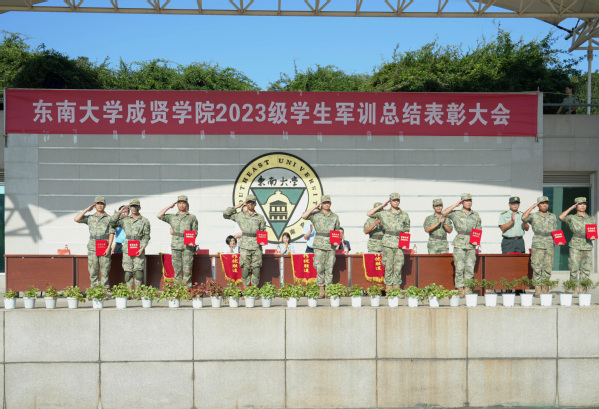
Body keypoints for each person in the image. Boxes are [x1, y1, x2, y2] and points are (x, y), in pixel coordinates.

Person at [367, 193, 410, 293]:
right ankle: (389, 289)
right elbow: (369, 214)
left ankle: (397, 289)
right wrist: (382, 206)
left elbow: (407, 229)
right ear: (390, 201)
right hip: (388, 242)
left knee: (398, 266)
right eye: (394, 200)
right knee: (388, 266)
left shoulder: (404, 215)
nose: (396, 202)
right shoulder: (384, 213)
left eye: (397, 200)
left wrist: (405, 243)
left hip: (399, 243)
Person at [443, 194, 482, 296]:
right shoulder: (456, 213)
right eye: (466, 201)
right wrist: (455, 205)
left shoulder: (475, 214)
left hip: (471, 243)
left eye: (470, 200)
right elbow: (443, 213)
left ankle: (468, 288)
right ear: (462, 202)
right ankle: (460, 288)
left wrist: (476, 240)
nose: (469, 202)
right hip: (459, 242)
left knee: (470, 267)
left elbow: (478, 228)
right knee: (459, 267)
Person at [223, 194, 266, 287]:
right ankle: (246, 289)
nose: (250, 204)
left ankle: (254, 288)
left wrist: (263, 240)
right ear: (246, 203)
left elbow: (263, 231)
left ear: (255, 204)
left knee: (256, 268)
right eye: (248, 202)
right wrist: (236, 207)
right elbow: (225, 215)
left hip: (256, 245)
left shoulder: (260, 217)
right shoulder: (240, 216)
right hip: (244, 246)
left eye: (252, 203)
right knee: (245, 268)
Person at [302, 195, 341, 298]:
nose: (326, 204)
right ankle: (321, 288)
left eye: (328, 202)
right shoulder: (315, 215)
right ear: (321, 204)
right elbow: (304, 216)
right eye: (324, 203)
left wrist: (337, 242)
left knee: (329, 267)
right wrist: (314, 207)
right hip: (319, 244)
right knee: (319, 267)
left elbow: (337, 230)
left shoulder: (334, 216)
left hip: (331, 245)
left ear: (330, 203)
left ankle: (328, 288)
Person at [522, 196, 561, 297]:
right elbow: (523, 217)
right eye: (542, 203)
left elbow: (556, 230)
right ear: (538, 205)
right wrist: (532, 206)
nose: (545, 205)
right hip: (538, 242)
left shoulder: (552, 216)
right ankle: (537, 290)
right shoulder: (534, 216)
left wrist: (559, 240)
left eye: (546, 203)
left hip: (549, 242)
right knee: (537, 266)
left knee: (548, 267)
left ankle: (545, 290)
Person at [157, 195, 199, 287]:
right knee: (177, 269)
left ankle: (187, 289)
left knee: (187, 269)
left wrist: (192, 240)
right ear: (177, 204)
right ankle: (178, 288)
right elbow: (159, 215)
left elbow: (195, 231)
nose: (181, 205)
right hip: (176, 245)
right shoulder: (172, 217)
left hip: (188, 246)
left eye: (183, 203)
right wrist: (169, 206)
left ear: (187, 204)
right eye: (179, 203)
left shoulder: (192, 217)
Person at [559, 197, 596, 296]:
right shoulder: (572, 218)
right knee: (574, 267)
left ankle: (583, 289)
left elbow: (593, 231)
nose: (583, 206)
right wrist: (571, 208)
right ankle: (575, 289)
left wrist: (593, 236)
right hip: (575, 244)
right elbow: (561, 217)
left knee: (586, 269)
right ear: (576, 206)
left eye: (584, 204)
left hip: (587, 244)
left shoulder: (591, 219)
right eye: (580, 204)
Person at [74, 196, 115, 287]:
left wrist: (109, 248)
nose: (100, 205)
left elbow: (111, 233)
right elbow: (76, 219)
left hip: (104, 245)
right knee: (93, 269)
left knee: (105, 269)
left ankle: (104, 289)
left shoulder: (109, 218)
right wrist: (86, 210)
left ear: (105, 205)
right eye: (98, 204)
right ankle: (94, 290)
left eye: (102, 204)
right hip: (93, 245)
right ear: (95, 205)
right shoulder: (90, 218)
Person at [111, 199, 151, 289]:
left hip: (139, 247)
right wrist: (120, 212)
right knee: (128, 273)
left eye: (135, 206)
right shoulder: (125, 220)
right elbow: (112, 223)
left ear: (139, 207)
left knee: (138, 273)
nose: (134, 208)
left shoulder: (145, 221)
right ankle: (129, 292)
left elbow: (146, 236)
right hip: (127, 248)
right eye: (132, 206)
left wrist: (142, 247)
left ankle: (137, 292)